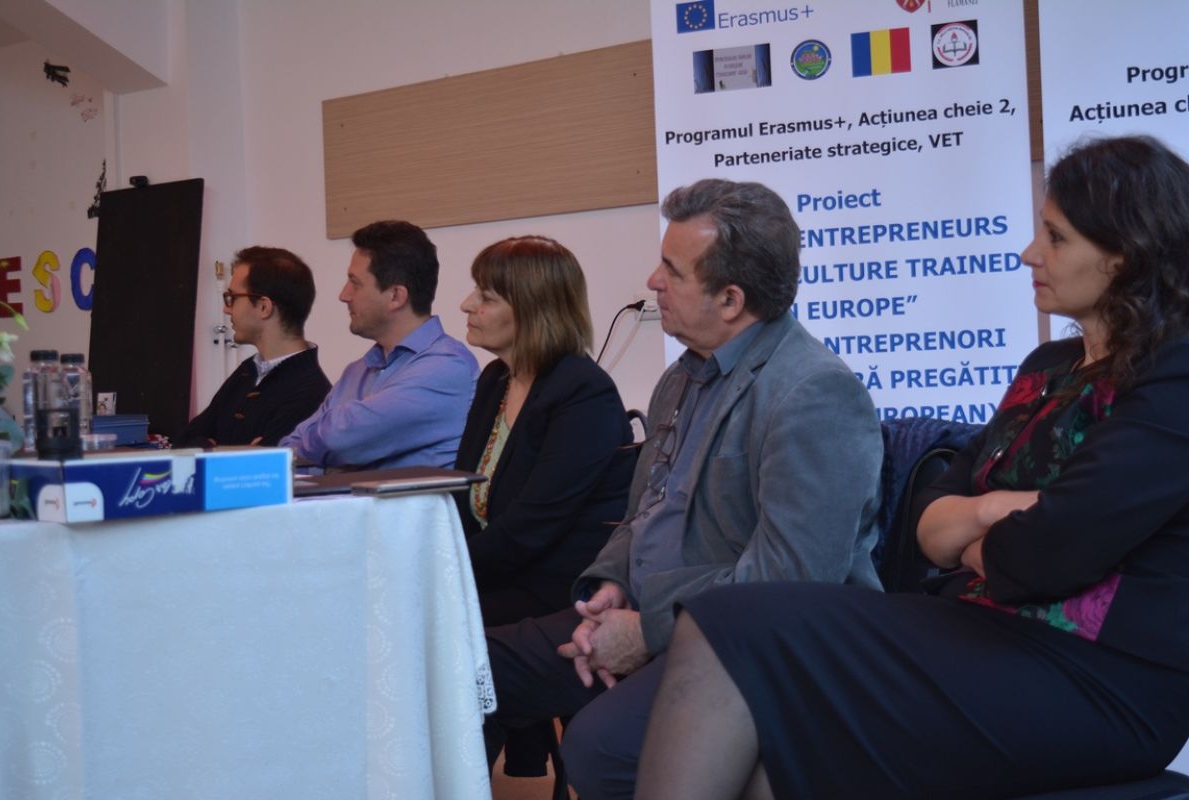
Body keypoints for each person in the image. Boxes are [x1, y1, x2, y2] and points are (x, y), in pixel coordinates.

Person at [633, 135, 1189, 800]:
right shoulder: (1045, 369)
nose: (1029, 254)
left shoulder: (1175, 376)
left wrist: (983, 536)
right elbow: (933, 517)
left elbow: (1051, 552)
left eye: (1056, 237)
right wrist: (994, 511)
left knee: (731, 631)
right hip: (981, 627)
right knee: (731, 635)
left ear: (1123, 256)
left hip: (1098, 678)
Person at [482, 179, 884, 799]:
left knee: (599, 747)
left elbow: (791, 579)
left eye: (671, 270)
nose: (652, 282)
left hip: (747, 646)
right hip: (647, 615)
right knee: (465, 670)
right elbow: (641, 515)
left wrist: (647, 631)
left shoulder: (814, 393)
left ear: (730, 299)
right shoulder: (681, 378)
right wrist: (610, 588)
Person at [455, 235, 635, 626]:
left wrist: (444, 570)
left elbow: (531, 530)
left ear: (533, 311)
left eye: (486, 297)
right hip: (497, 576)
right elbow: (461, 491)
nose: (466, 304)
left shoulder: (584, 392)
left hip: (554, 592)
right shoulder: (495, 378)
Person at [281, 220, 479, 469]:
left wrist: (325, 443)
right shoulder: (356, 371)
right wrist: (328, 439)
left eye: (355, 283)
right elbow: (290, 448)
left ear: (396, 296)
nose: (343, 295)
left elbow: (340, 440)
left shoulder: (447, 367)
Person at [173, 246, 330, 448]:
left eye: (233, 298)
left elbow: (263, 464)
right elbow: (182, 442)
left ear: (264, 307)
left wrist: (210, 448)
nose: (226, 309)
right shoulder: (247, 372)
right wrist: (220, 450)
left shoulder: (310, 393)